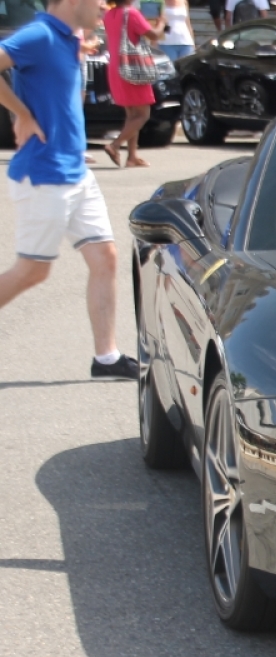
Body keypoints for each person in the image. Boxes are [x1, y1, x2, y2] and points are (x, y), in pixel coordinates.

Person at [0, 0, 139, 381]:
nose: (104, 6)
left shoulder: (67, 39)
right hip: (45, 174)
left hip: (76, 172)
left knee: (105, 257)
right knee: (32, 271)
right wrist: (22, 113)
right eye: (98, 0)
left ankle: (106, 358)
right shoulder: (40, 35)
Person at [102, 0, 164, 168]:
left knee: (132, 115)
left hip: (116, 66)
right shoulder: (131, 13)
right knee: (143, 114)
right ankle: (115, 145)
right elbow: (153, 35)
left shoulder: (109, 14)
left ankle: (132, 156)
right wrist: (161, 23)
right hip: (133, 66)